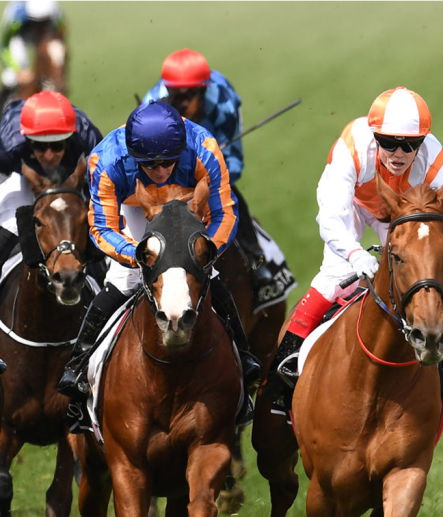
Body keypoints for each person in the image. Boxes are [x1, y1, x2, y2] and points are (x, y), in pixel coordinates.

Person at [268, 87, 443, 423]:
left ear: (423, 142)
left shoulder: (433, 157)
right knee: (336, 280)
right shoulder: (352, 145)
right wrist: (354, 254)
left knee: (423, 287)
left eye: (410, 145)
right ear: (374, 134)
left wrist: (435, 267)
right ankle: (282, 374)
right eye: (388, 141)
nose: (398, 152)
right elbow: (331, 218)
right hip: (352, 207)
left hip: (401, 214)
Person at [56, 101, 261, 431]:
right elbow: (102, 227)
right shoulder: (106, 160)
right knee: (124, 281)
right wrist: (136, 256)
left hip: (184, 199)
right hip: (135, 205)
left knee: (209, 279)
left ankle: (245, 357)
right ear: (134, 156)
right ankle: (78, 365)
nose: (161, 169)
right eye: (150, 164)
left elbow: (225, 213)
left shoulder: (204, 148)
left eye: (168, 161)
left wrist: (203, 256)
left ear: (181, 148)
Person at [141, 48, 272, 288]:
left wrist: (204, 179)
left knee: (231, 194)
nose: (179, 103)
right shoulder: (152, 104)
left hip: (209, 162)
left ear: (203, 91)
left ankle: (255, 259)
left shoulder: (224, 104)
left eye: (187, 96)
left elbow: (233, 163)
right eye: (174, 95)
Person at [0, 90, 101, 262]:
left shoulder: (88, 140)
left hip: (70, 176)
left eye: (56, 145)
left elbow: (103, 191)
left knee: (93, 224)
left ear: (70, 139)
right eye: (39, 146)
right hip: (24, 175)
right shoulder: (8, 145)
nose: (48, 155)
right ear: (27, 140)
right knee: (13, 221)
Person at [0, 1, 64, 96]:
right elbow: (5, 46)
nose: (39, 27)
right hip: (21, 36)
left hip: (45, 35)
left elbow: (60, 38)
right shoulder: (16, 19)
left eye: (44, 22)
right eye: (36, 22)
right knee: (10, 78)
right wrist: (17, 71)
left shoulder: (57, 16)